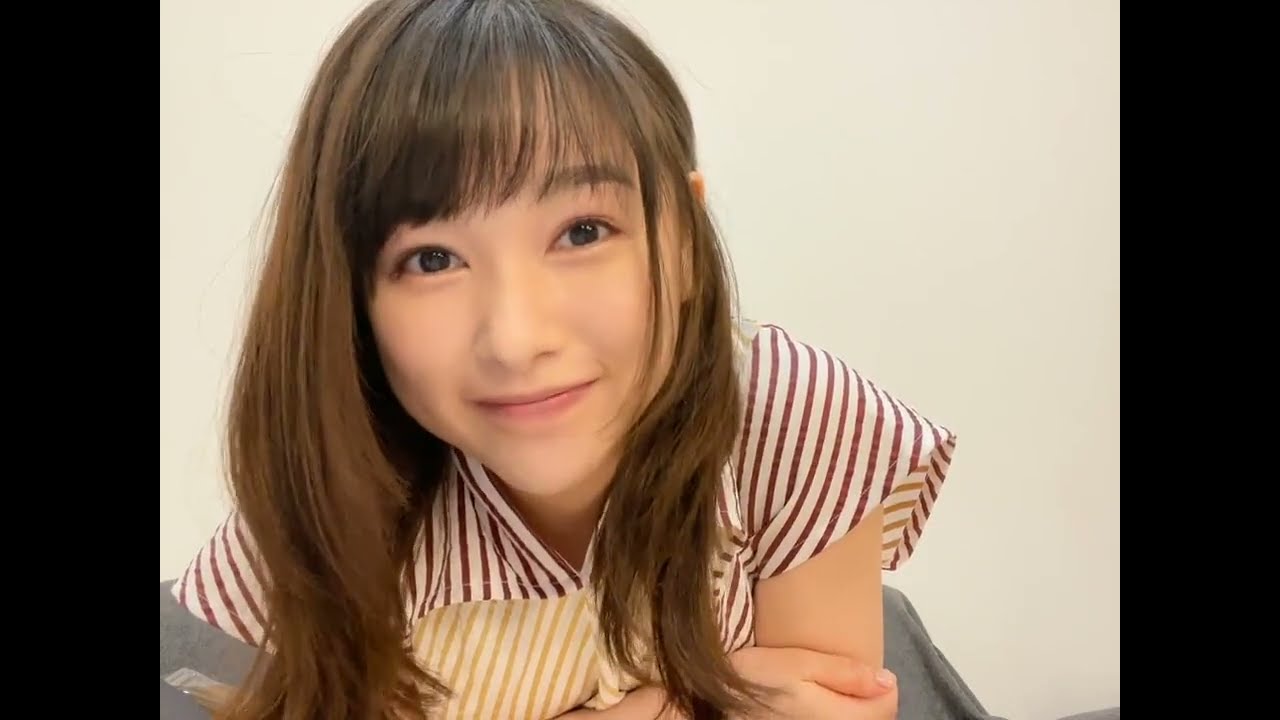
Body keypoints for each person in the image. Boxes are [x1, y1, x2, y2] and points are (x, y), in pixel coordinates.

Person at [167, 0, 959, 718]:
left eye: (583, 232)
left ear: (683, 241)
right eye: (433, 259)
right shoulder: (326, 498)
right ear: (349, 294)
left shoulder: (792, 420)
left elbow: (837, 710)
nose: (516, 339)